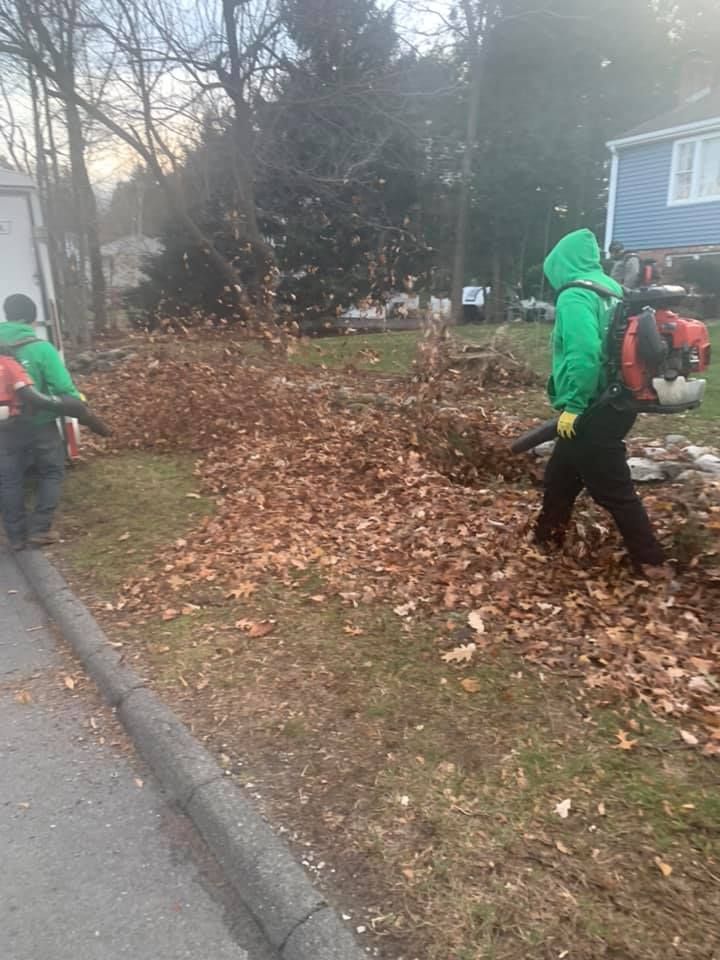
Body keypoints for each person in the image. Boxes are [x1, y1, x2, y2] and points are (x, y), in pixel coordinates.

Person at [534, 229, 666, 575]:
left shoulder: (575, 296)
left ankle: (651, 561)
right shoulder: (613, 289)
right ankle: (546, 539)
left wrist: (574, 405)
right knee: (561, 476)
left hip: (592, 405)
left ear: (561, 264)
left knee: (614, 490)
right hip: (618, 398)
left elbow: (584, 353)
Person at [0, 293, 81, 549]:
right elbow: (63, 387)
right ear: (32, 319)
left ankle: (14, 536)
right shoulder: (40, 347)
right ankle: (40, 529)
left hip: (3, 426)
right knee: (51, 471)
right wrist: (78, 403)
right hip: (40, 423)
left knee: (9, 478)